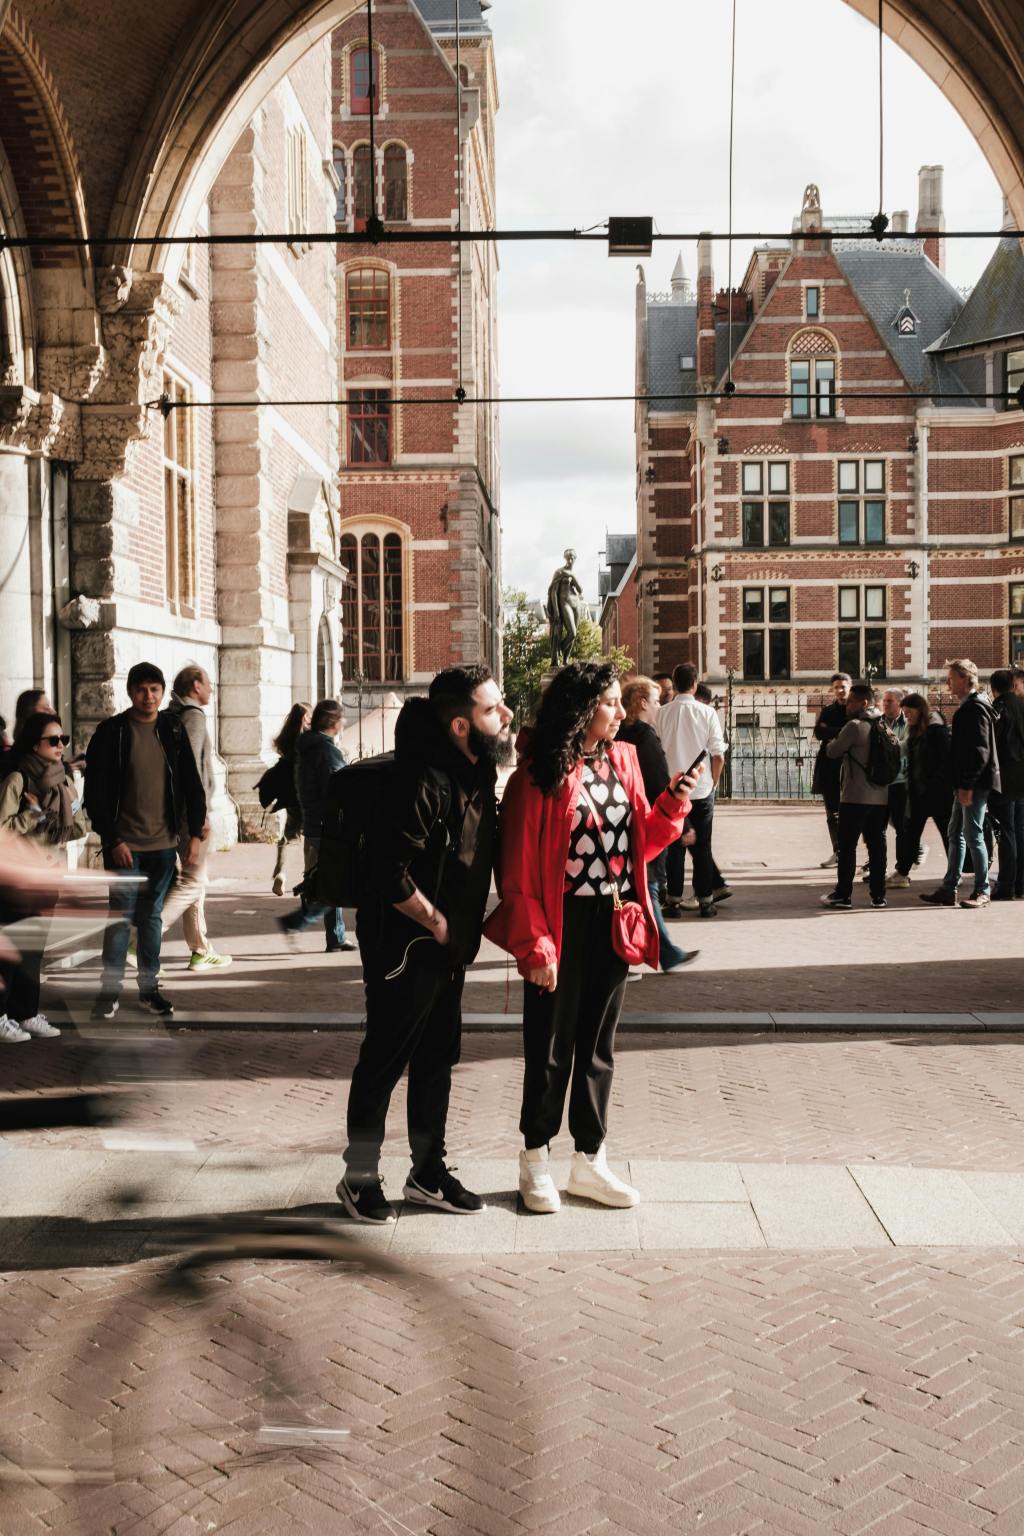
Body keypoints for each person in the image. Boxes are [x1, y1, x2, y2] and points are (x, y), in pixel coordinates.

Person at [485, 661, 697, 1216]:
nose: (621, 712)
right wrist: (536, 946)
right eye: (609, 702)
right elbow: (517, 873)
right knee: (550, 1047)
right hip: (560, 921)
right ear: (581, 710)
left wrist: (673, 803)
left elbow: (642, 839)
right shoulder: (535, 776)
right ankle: (535, 1159)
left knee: (599, 1047)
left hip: (612, 917)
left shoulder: (623, 758)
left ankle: (589, 1159)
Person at [339, 667, 513, 1223]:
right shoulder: (423, 779)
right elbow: (388, 872)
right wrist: (436, 922)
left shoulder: (477, 773)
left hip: (448, 949)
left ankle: (427, 1173)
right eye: (493, 709)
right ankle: (358, 1178)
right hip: (404, 948)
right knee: (384, 1061)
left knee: (437, 1060)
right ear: (461, 725)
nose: (506, 715)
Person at [84, 662, 206, 1018]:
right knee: (120, 919)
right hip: (124, 847)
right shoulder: (111, 732)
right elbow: (95, 794)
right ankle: (109, 992)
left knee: (151, 919)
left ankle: (149, 989)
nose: (148, 696)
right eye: (141, 689)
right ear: (130, 692)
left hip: (162, 846)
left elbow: (192, 785)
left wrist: (194, 834)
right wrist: (112, 839)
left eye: (155, 689)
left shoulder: (173, 730)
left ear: (163, 692)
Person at [0, 712, 87, 1040]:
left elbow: (77, 827)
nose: (60, 745)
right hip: (17, 876)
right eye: (53, 740)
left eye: (63, 739)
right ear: (34, 745)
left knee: (33, 950)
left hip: (47, 876)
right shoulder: (17, 781)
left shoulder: (65, 783)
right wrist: (32, 815)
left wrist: (68, 809)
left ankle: (25, 1013)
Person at [618, 677, 697, 973]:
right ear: (642, 703)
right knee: (648, 885)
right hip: (648, 823)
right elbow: (658, 782)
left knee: (642, 887)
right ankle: (663, 951)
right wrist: (683, 822)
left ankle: (663, 950)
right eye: (655, 701)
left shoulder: (621, 733)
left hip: (624, 821)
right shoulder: (645, 736)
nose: (659, 706)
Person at [159, 665, 231, 972]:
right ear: (196, 686)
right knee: (192, 881)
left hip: (175, 812)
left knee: (195, 882)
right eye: (208, 683)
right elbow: (194, 772)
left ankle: (200, 950)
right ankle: (142, 939)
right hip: (191, 815)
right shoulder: (193, 717)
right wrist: (200, 819)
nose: (212, 689)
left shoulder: (170, 715)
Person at [920, 659, 999, 909]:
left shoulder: (974, 709)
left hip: (973, 784)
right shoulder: (972, 706)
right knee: (955, 832)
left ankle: (982, 890)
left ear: (965, 679)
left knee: (973, 834)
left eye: (952, 678)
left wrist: (967, 785)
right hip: (966, 783)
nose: (948, 683)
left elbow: (979, 752)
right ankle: (949, 887)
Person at [280, 699, 355, 952]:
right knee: (334, 883)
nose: (344, 722)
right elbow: (338, 790)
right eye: (342, 718)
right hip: (327, 826)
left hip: (313, 823)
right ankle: (296, 922)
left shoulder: (307, 747)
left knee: (326, 880)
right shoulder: (326, 751)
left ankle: (336, 936)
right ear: (334, 722)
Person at [656, 661, 727, 919]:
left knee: (674, 847)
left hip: (673, 790)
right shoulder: (707, 713)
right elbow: (718, 755)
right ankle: (706, 900)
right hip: (701, 789)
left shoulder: (661, 713)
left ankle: (674, 900)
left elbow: (657, 751)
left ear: (674, 684)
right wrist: (714, 782)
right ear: (695, 684)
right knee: (703, 847)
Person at [820, 682, 888, 910]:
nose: (847, 705)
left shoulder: (854, 726)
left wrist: (832, 740)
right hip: (880, 796)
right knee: (877, 846)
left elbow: (832, 751)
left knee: (847, 846)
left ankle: (843, 895)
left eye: (851, 701)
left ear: (864, 703)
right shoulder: (884, 725)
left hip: (855, 795)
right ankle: (878, 896)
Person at [886, 693, 952, 889]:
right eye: (905, 713)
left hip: (937, 793)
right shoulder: (915, 731)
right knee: (911, 833)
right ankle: (902, 872)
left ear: (920, 710)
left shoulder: (936, 731)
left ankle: (955, 872)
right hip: (918, 792)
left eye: (909, 712)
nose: (907, 717)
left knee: (948, 835)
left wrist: (934, 783)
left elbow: (946, 761)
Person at [988, 669, 1024, 901]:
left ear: (994, 689)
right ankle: (1020, 882)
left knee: (1006, 831)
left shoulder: (998, 709)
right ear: (1013, 685)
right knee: (1019, 829)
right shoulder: (1021, 705)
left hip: (1004, 777)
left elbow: (994, 743)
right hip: (1021, 775)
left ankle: (1006, 884)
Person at [270, 702, 310, 896]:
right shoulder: (308, 739)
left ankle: (281, 872)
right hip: (307, 793)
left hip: (290, 794)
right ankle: (309, 877)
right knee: (311, 836)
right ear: (305, 717)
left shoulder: (287, 738)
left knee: (290, 835)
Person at [812, 673, 852, 868]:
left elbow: (855, 733)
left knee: (854, 813)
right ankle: (838, 852)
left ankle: (854, 853)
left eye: (843, 686)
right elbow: (818, 732)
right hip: (829, 767)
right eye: (836, 687)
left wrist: (832, 731)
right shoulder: (828, 710)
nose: (840, 690)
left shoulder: (855, 711)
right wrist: (843, 731)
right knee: (831, 813)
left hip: (851, 768)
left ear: (850, 687)